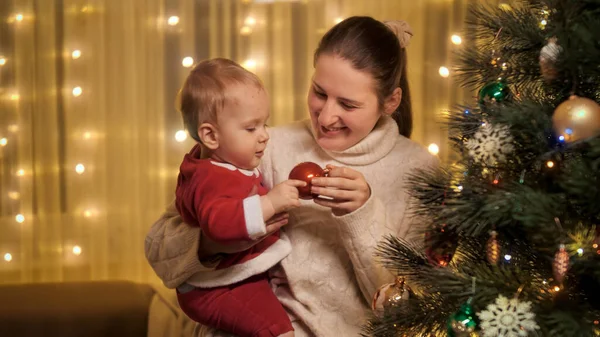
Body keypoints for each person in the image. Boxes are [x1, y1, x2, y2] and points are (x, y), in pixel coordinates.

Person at [145, 16, 438, 337]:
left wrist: (363, 214)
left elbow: (413, 312)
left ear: (391, 102)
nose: (326, 117)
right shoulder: (265, 145)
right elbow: (159, 250)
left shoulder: (419, 171)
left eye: (348, 104)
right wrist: (215, 242)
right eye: (319, 92)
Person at [167, 58, 307, 337]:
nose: (265, 136)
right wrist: (270, 203)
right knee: (278, 331)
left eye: (265, 124)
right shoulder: (212, 178)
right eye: (251, 128)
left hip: (229, 280)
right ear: (210, 135)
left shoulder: (217, 162)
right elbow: (218, 225)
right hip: (218, 287)